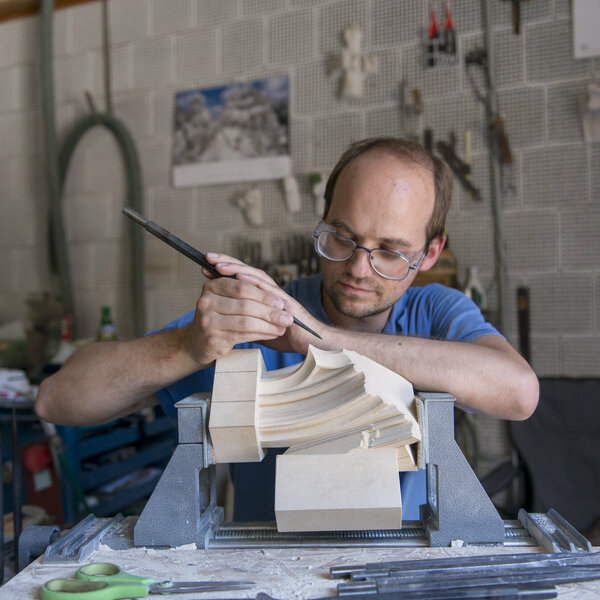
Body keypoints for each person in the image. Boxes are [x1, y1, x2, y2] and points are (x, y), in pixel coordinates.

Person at [35, 137, 539, 521]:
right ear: (323, 219)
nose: (359, 269)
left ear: (430, 252)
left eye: (390, 251)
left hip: (397, 566)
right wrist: (185, 348)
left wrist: (321, 338)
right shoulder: (260, 314)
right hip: (265, 570)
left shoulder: (436, 312)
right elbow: (56, 400)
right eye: (342, 238)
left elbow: (519, 393)